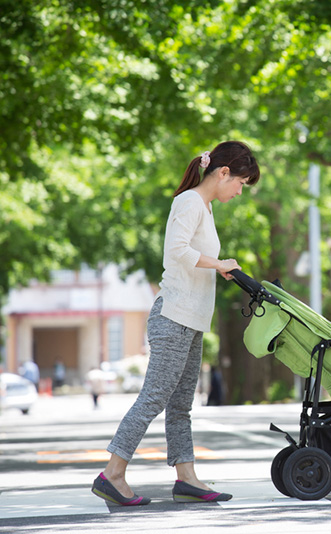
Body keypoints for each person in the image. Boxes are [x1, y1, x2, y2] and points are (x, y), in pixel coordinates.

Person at [92, 141, 260, 507]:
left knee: (181, 405)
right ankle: (113, 473)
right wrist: (217, 264)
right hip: (173, 318)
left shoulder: (205, 208)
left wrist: (219, 270)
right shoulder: (188, 203)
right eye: (240, 184)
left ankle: (187, 478)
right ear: (223, 173)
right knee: (153, 397)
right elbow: (177, 251)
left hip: (191, 320)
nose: (239, 192)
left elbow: (193, 256)